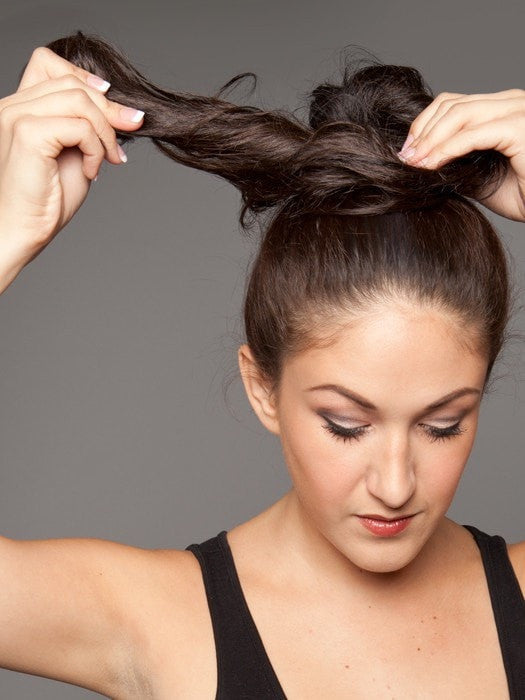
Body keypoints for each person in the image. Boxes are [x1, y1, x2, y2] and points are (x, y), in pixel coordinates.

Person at [0, 30, 523, 700]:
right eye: (345, 424)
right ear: (262, 388)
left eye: (443, 424)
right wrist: (8, 233)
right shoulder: (158, 620)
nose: (395, 485)